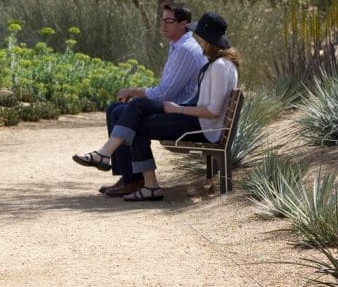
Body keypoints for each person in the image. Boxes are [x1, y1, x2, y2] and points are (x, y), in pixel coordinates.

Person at [73, 12, 240, 201]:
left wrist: (178, 109)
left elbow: (213, 111)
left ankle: (140, 179)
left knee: (135, 124)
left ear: (209, 40)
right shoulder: (222, 64)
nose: (199, 41)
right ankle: (107, 156)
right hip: (198, 121)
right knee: (137, 105)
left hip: (202, 127)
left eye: (201, 37)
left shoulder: (219, 66)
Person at [99, 2, 206, 197]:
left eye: (169, 21)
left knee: (124, 112)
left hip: (181, 113)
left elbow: (165, 94)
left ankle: (134, 178)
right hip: (172, 108)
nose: (163, 25)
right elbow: (165, 89)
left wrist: (134, 91)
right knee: (114, 109)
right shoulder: (177, 46)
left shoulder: (185, 50)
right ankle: (129, 176)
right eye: (162, 20)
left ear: (184, 24)